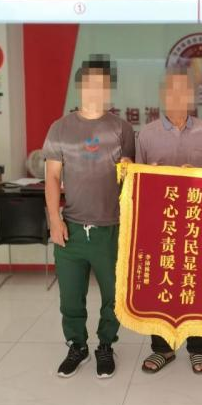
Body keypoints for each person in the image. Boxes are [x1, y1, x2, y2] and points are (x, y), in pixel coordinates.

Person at [43, 55, 135, 380]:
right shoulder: (60, 128)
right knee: (70, 296)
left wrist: (128, 168)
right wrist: (54, 220)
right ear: (79, 86)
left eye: (102, 84)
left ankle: (105, 345)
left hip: (111, 229)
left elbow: (131, 177)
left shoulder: (122, 128)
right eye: (89, 83)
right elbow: (52, 177)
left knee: (114, 296)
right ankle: (77, 346)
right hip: (70, 227)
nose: (96, 89)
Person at [137, 65, 202, 374]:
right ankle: (162, 348)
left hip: (197, 224)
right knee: (160, 286)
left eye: (184, 89)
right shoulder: (146, 134)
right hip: (159, 226)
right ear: (162, 94)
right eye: (171, 89)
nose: (177, 96)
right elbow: (136, 183)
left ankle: (199, 348)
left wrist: (196, 176)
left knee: (196, 285)